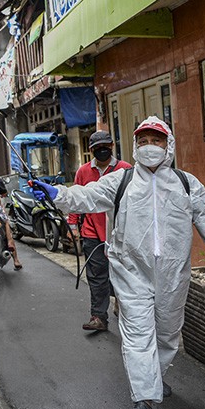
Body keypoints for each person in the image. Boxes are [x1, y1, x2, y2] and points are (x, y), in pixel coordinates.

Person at [32, 116, 205, 409]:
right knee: (137, 333)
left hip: (172, 274)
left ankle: (154, 377)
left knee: (168, 334)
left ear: (168, 145)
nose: (149, 147)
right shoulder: (122, 181)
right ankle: (144, 399)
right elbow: (87, 196)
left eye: (155, 141)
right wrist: (58, 195)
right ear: (134, 146)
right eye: (143, 141)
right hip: (131, 272)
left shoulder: (187, 184)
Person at [68, 131, 131, 331]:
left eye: (106, 146)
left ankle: (122, 305)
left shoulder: (126, 170)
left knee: (124, 274)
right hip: (92, 232)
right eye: (98, 147)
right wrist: (73, 226)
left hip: (120, 233)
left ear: (112, 146)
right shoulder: (83, 172)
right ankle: (98, 317)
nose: (102, 150)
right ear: (91, 150)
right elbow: (75, 199)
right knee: (97, 276)